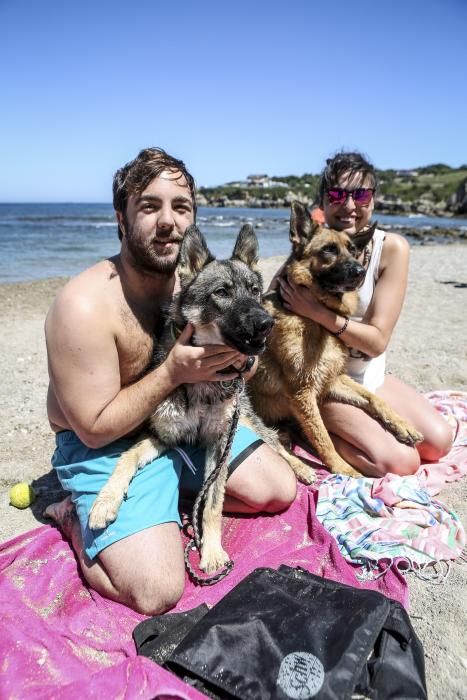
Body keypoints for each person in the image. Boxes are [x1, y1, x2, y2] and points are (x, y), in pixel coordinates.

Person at [44, 147, 296, 615]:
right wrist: (176, 371)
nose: (168, 221)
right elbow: (94, 427)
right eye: (149, 206)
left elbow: (244, 364)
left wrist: (241, 361)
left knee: (279, 490)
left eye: (180, 208)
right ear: (121, 217)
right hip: (103, 440)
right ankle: (72, 519)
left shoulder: (198, 288)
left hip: (183, 423)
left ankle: (171, 491)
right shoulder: (84, 306)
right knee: (156, 590)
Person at [275, 151, 452, 478]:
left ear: (374, 199)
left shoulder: (392, 248)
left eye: (361, 194)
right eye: (338, 195)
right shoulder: (312, 248)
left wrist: (316, 312)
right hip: (320, 382)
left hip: (367, 373)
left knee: (438, 442)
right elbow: (274, 303)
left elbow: (377, 341)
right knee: (402, 462)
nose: (350, 205)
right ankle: (309, 430)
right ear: (324, 202)